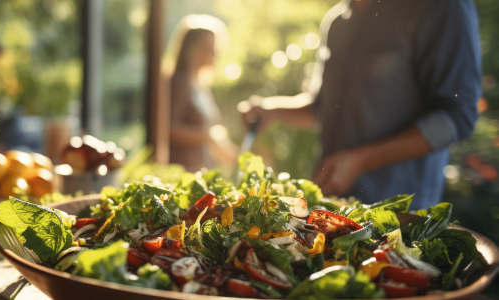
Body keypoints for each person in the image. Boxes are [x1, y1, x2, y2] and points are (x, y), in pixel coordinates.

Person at [239, 0, 482, 210]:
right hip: (330, 209)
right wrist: (272, 111)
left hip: (398, 217)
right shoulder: (337, 21)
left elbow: (458, 116)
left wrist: (364, 159)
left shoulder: (439, 6)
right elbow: (324, 107)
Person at [168, 16, 238, 173]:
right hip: (181, 173)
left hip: (201, 170)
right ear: (191, 49)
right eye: (209, 47)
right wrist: (208, 137)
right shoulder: (178, 83)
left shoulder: (200, 86)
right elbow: (168, 128)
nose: (215, 53)